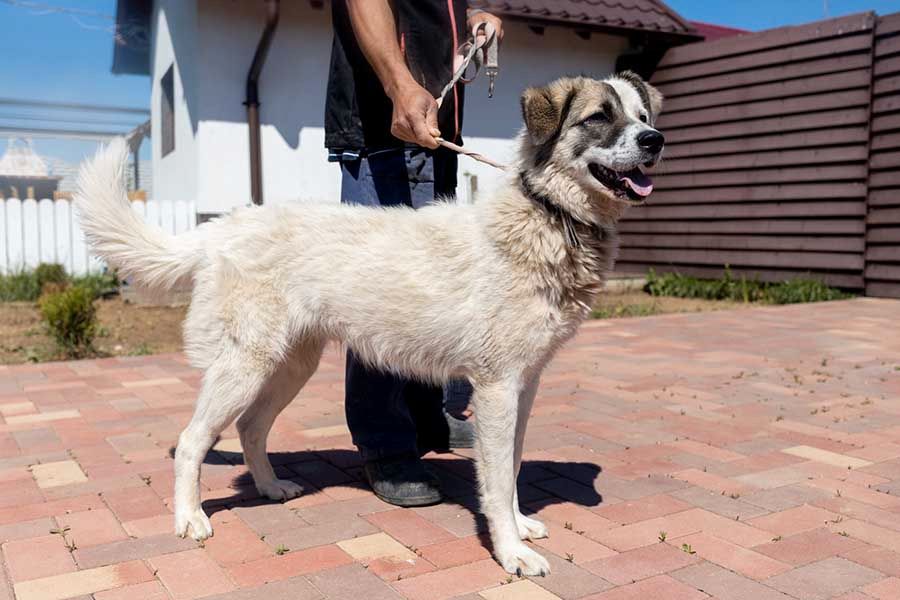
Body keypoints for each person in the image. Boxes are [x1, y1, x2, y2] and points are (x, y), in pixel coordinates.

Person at [324, 0, 503, 507]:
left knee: (433, 294)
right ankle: (386, 443)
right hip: (387, 127)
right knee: (380, 298)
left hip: (436, 133)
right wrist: (399, 83)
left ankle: (426, 421)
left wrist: (477, 14)